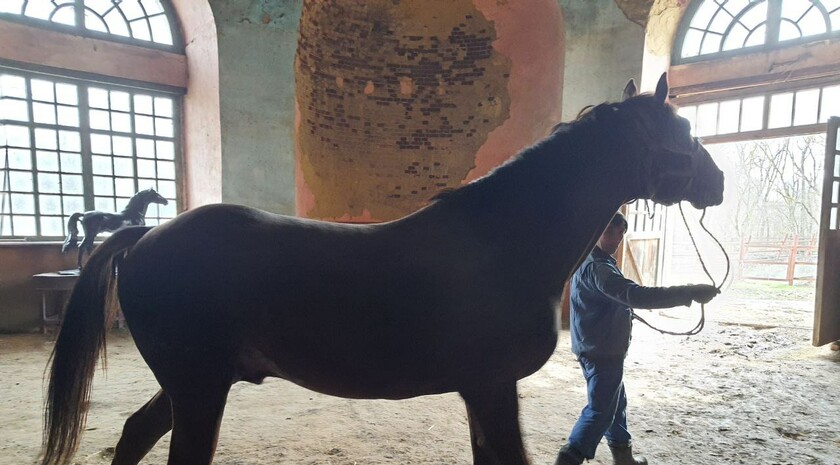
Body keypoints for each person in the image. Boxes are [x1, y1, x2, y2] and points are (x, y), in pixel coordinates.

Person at [554, 211, 719, 465]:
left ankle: (624, 458)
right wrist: (689, 292)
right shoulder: (599, 268)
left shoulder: (594, 259)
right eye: (612, 232)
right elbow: (635, 296)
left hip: (597, 345)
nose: (618, 238)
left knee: (615, 404)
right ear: (598, 232)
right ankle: (568, 459)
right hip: (602, 350)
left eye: (621, 233)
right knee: (600, 411)